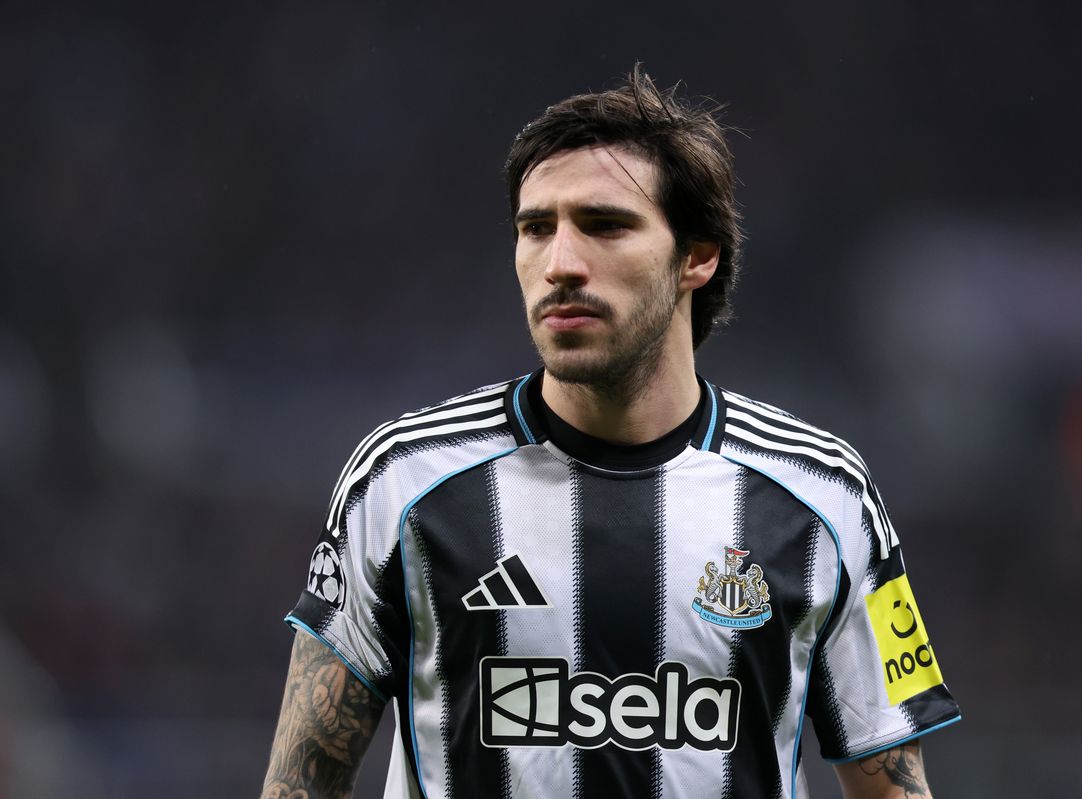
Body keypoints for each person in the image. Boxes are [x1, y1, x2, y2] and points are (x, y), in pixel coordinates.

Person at [261, 66, 960, 799]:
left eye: (604, 225)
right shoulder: (402, 479)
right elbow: (300, 782)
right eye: (537, 229)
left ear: (697, 255)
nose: (560, 263)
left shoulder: (828, 495)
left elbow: (895, 789)